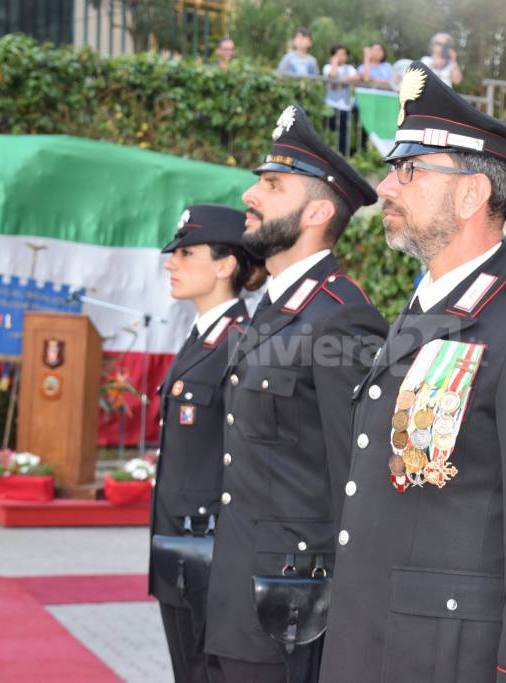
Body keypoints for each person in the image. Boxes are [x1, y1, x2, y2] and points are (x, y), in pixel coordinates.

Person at [320, 60, 506, 683]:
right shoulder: (427, 310)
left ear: (472, 193)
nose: (387, 187)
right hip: (370, 644)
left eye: (410, 171)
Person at [203, 104, 388, 683]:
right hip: (239, 597)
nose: (249, 194)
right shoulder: (275, 308)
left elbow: (357, 480)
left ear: (317, 211)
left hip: (292, 608)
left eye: (272, 184)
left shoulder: (342, 318)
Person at [152, 204, 264, 682]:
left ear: (225, 265)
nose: (170, 262)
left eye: (186, 252)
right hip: (178, 546)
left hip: (210, 549)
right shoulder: (202, 338)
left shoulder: (241, 342)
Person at [323, 44, 358, 157]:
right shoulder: (328, 67)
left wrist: (342, 79)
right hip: (330, 105)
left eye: (343, 54)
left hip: (345, 106)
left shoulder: (350, 69)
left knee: (343, 134)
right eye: (338, 54)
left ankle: (343, 156)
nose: (341, 56)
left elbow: (357, 77)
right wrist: (334, 63)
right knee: (328, 132)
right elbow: (332, 76)